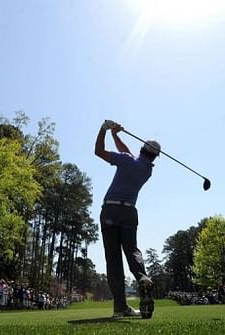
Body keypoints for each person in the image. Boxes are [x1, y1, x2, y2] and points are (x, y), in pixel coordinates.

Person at [95, 120, 158, 319]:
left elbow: (99, 151)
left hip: (110, 211)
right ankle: (143, 277)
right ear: (155, 156)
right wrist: (116, 135)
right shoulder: (147, 169)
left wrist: (104, 129)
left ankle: (119, 308)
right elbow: (127, 155)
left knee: (113, 260)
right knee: (132, 250)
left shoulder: (127, 160)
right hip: (130, 212)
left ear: (142, 149)